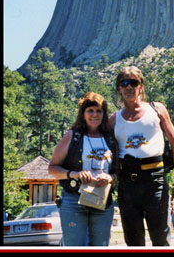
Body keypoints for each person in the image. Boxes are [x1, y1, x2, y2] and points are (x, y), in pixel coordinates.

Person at [111, 66, 174, 246]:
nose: (129, 87)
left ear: (141, 87)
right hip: (127, 184)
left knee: (160, 238)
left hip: (155, 181)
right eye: (125, 83)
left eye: (134, 82)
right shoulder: (113, 119)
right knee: (133, 240)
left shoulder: (157, 109)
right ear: (119, 88)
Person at [47, 92, 118, 246]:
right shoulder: (72, 136)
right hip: (74, 200)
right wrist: (74, 174)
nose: (94, 114)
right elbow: (52, 168)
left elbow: (119, 171)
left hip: (103, 201)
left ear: (104, 114)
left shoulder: (111, 138)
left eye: (99, 111)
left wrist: (110, 178)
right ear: (83, 114)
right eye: (90, 111)